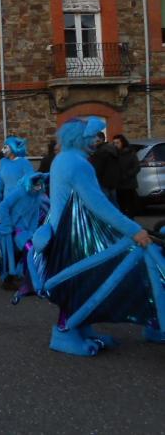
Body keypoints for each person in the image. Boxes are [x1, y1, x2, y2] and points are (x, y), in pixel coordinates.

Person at [27, 117, 161, 356]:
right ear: (78, 138)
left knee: (82, 283)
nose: (96, 141)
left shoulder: (63, 159)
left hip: (63, 232)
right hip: (72, 235)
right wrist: (134, 230)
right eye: (92, 137)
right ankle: (65, 333)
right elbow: (98, 204)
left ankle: (82, 329)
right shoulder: (77, 163)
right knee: (83, 281)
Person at [0, 172, 48, 289]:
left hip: (25, 231)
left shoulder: (36, 198)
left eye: (40, 185)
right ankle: (17, 280)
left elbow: (34, 216)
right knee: (27, 250)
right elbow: (3, 206)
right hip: (13, 229)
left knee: (22, 252)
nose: (38, 187)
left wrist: (32, 232)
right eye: (36, 184)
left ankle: (16, 278)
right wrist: (7, 224)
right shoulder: (20, 192)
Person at [0, 136, 33, 223]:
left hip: (21, 205)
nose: (2, 150)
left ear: (12, 147)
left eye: (5, 147)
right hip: (7, 205)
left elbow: (32, 182)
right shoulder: (3, 162)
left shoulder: (24, 163)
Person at [112, 134, 140, 218]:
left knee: (130, 207)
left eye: (117, 143)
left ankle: (131, 221)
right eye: (114, 143)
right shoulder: (114, 154)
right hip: (118, 185)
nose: (115, 145)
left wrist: (127, 175)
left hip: (129, 184)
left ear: (123, 143)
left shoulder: (130, 153)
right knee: (120, 207)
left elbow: (137, 167)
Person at [89, 132, 120, 205]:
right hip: (112, 182)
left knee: (105, 203)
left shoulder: (100, 151)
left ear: (101, 139)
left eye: (95, 139)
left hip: (103, 182)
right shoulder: (111, 149)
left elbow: (97, 168)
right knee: (113, 202)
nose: (93, 141)